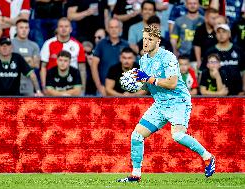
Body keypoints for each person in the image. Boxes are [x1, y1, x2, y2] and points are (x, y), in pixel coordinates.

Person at [117, 24, 215, 183]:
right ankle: (135, 175)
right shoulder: (143, 60)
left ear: (158, 41)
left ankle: (208, 157)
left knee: (177, 135)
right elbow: (148, 86)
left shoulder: (168, 57)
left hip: (178, 101)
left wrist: (147, 79)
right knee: (136, 136)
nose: (146, 42)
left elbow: (172, 83)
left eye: (150, 39)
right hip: (160, 104)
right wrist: (135, 84)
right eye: (144, 39)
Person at [40, 17, 86, 93]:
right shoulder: (48, 44)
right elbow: (43, 67)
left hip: (72, 86)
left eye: (66, 26)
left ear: (71, 29)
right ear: (57, 29)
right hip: (53, 86)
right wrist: (44, 86)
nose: (64, 29)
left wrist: (83, 89)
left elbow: (82, 69)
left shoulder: (78, 45)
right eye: (61, 26)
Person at [202, 24, 245, 95]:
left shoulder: (238, 50)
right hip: (216, 93)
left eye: (224, 32)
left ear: (229, 34)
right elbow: (203, 71)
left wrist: (244, 89)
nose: (221, 34)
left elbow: (243, 71)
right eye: (218, 32)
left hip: (237, 92)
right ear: (215, 35)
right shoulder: (210, 51)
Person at [91, 18, 129, 96]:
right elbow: (93, 66)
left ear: (120, 29)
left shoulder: (126, 44)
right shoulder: (101, 44)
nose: (114, 30)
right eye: (111, 27)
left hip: (122, 90)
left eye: (116, 27)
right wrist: (99, 86)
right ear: (107, 29)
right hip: (104, 89)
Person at [12, 19, 40, 96]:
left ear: (29, 29)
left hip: (29, 84)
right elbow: (8, 63)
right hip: (12, 83)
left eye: (26, 28)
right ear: (16, 29)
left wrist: (18, 60)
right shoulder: (9, 44)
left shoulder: (34, 45)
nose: (24, 30)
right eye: (21, 28)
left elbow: (36, 64)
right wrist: (28, 60)